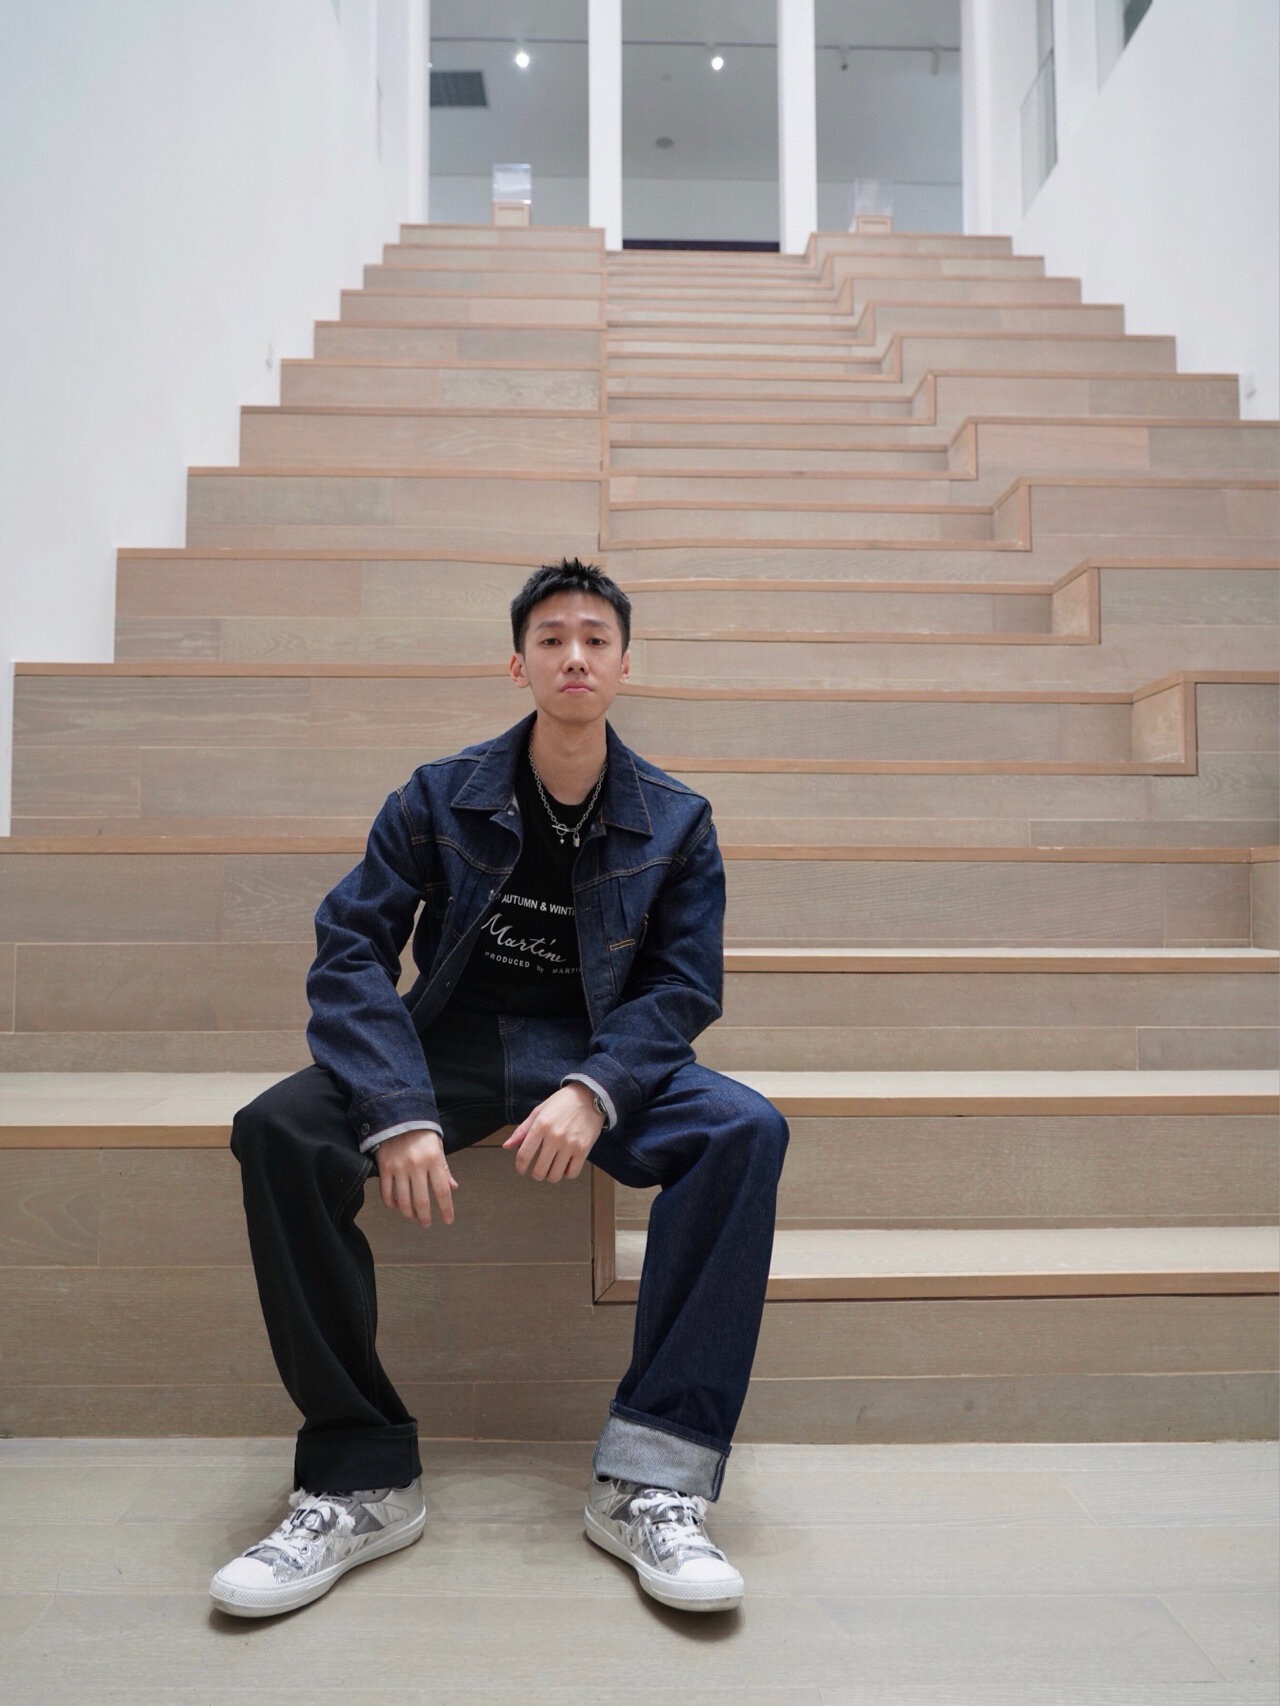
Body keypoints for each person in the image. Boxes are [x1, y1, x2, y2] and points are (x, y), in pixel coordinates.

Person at [210, 559, 789, 1618]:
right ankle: (358, 1476)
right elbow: (350, 950)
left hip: (597, 1045)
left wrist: (596, 1086)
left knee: (742, 1130)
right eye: (552, 638)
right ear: (518, 663)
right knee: (278, 1130)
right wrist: (396, 1106)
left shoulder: (676, 818)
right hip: (450, 1044)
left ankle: (652, 1479)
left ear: (624, 663)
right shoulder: (438, 794)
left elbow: (681, 985)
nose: (575, 656)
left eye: (596, 639)